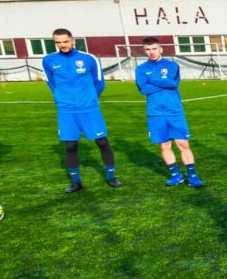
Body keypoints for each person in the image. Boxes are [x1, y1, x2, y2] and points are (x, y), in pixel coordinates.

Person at [41, 28, 120, 192]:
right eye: (58, 42)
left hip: (89, 108)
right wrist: (62, 99)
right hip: (67, 110)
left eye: (65, 41)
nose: (62, 45)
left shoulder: (88, 58)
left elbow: (99, 82)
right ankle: (76, 182)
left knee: (102, 142)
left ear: (73, 40)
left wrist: (89, 99)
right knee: (70, 146)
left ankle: (111, 177)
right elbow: (51, 83)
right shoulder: (48, 60)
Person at [134, 37, 205, 187]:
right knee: (164, 146)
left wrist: (151, 80)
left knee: (182, 144)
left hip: (174, 111)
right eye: (148, 49)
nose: (151, 52)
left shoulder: (172, 65)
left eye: (154, 49)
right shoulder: (140, 69)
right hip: (154, 113)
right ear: (144, 51)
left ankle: (193, 176)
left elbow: (172, 83)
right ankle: (176, 176)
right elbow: (143, 89)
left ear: (160, 49)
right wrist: (161, 81)